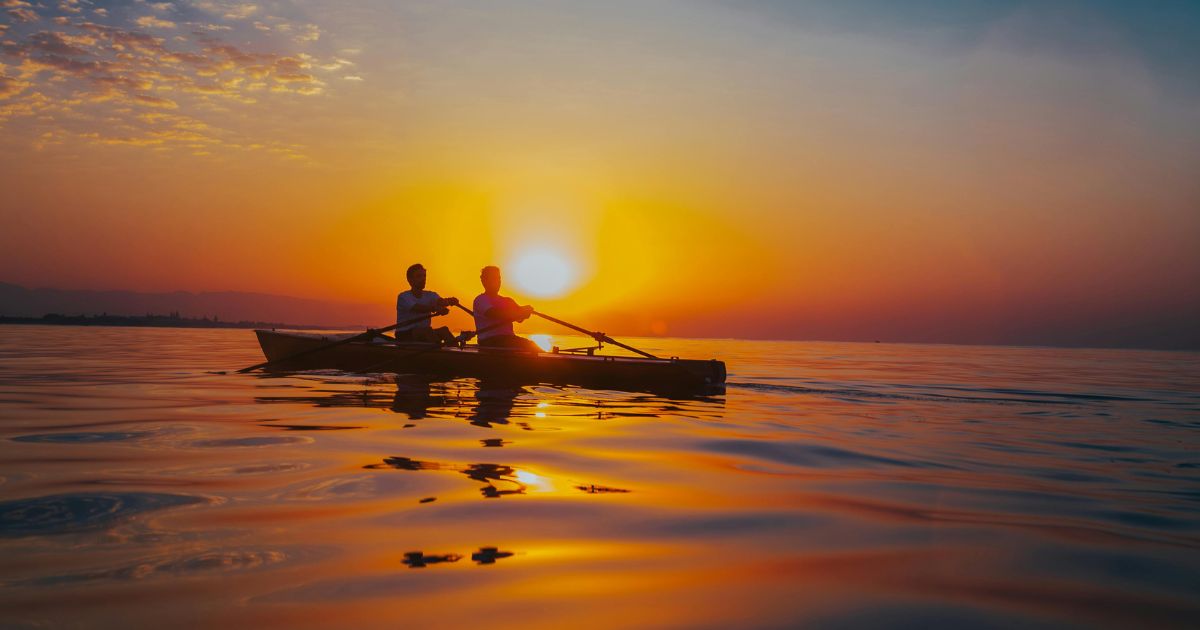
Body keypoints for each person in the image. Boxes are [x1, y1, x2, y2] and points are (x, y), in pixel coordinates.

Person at [472, 266, 541, 352]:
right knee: (531, 346)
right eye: (493, 278)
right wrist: (520, 311)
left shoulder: (507, 300)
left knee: (532, 346)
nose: (497, 282)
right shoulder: (480, 300)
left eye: (498, 278)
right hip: (489, 341)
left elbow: (520, 319)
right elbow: (494, 313)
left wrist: (525, 311)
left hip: (508, 339)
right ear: (484, 281)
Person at [395, 263, 458, 344]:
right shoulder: (403, 297)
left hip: (424, 333)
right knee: (427, 331)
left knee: (444, 330)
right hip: (404, 334)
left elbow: (441, 302)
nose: (423, 279)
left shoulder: (430, 295)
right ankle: (437, 353)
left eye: (424, 276)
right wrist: (435, 308)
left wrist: (449, 301)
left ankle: (456, 353)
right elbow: (418, 308)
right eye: (419, 276)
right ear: (410, 280)